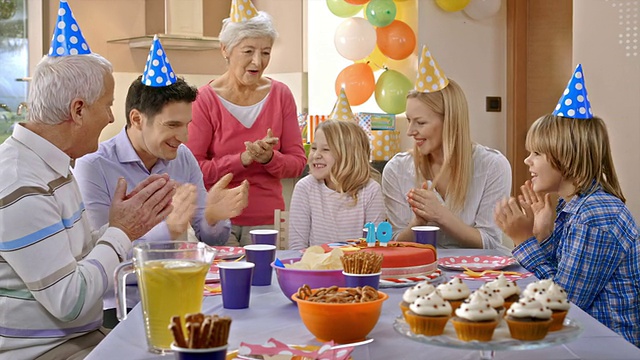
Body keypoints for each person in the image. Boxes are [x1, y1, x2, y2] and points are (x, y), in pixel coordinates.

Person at [0, 3, 175, 357]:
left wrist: (122, 225)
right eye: (107, 104)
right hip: (45, 351)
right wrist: (121, 231)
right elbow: (70, 300)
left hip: (81, 336)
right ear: (78, 110)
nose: (112, 116)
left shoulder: (52, 166)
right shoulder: (20, 183)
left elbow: (69, 260)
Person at [494, 64, 640, 346]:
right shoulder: (571, 208)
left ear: (566, 156)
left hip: (605, 346)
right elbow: (554, 280)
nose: (528, 161)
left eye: (536, 153)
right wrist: (543, 234)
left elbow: (562, 303)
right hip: (576, 339)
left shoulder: (596, 215)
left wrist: (523, 240)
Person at [185, 0, 306, 247]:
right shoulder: (204, 100)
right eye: (248, 51)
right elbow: (192, 169)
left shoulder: (281, 95)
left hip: (269, 222)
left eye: (265, 52)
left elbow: (297, 163)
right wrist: (242, 160)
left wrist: (269, 159)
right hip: (217, 221)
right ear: (225, 50)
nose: (258, 62)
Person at [382, 45, 511, 249]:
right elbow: (395, 243)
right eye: (409, 120)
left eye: (420, 122)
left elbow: (490, 242)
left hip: (476, 276)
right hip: (418, 275)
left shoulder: (492, 166)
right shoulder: (396, 170)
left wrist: (441, 215)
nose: (410, 131)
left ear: (450, 122)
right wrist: (418, 222)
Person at [288, 120, 386, 250]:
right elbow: (297, 247)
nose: (316, 155)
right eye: (314, 148)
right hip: (316, 267)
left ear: (350, 156)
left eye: (326, 149)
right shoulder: (305, 188)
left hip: (357, 268)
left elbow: (375, 247)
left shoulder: (371, 190)